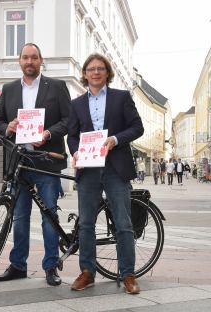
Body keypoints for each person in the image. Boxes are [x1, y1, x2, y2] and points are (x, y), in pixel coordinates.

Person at [0, 43, 70, 286]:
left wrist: (47, 134)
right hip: (19, 163)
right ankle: (18, 265)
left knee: (49, 216)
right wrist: (8, 128)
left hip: (46, 163)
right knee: (19, 216)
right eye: (25, 57)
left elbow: (69, 120)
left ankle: (51, 267)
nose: (29, 62)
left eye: (34, 58)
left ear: (40, 60)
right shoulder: (9, 89)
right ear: (20, 61)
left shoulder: (57, 87)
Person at [67, 53, 144, 294]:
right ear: (85, 73)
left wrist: (115, 139)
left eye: (100, 68)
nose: (96, 72)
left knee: (123, 223)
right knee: (86, 224)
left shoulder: (121, 98)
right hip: (88, 169)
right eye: (91, 69)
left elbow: (137, 127)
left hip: (115, 167)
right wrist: (75, 153)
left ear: (107, 73)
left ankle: (128, 274)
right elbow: (72, 135)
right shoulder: (76, 103)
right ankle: (88, 272)